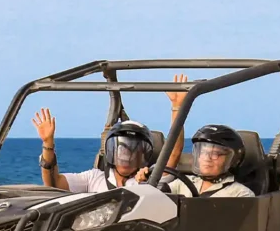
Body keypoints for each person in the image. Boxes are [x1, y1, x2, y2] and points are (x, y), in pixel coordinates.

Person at [34, 74, 188, 192]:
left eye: (133, 149)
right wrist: (48, 144)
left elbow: (173, 153)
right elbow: (54, 184)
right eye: (122, 148)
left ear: (144, 154)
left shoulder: (150, 179)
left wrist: (177, 107)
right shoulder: (94, 178)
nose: (126, 155)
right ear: (111, 150)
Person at [147, 124, 255, 198]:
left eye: (216, 153)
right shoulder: (184, 183)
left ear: (233, 160)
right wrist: (144, 182)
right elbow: (154, 198)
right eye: (203, 152)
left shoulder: (240, 194)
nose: (207, 158)